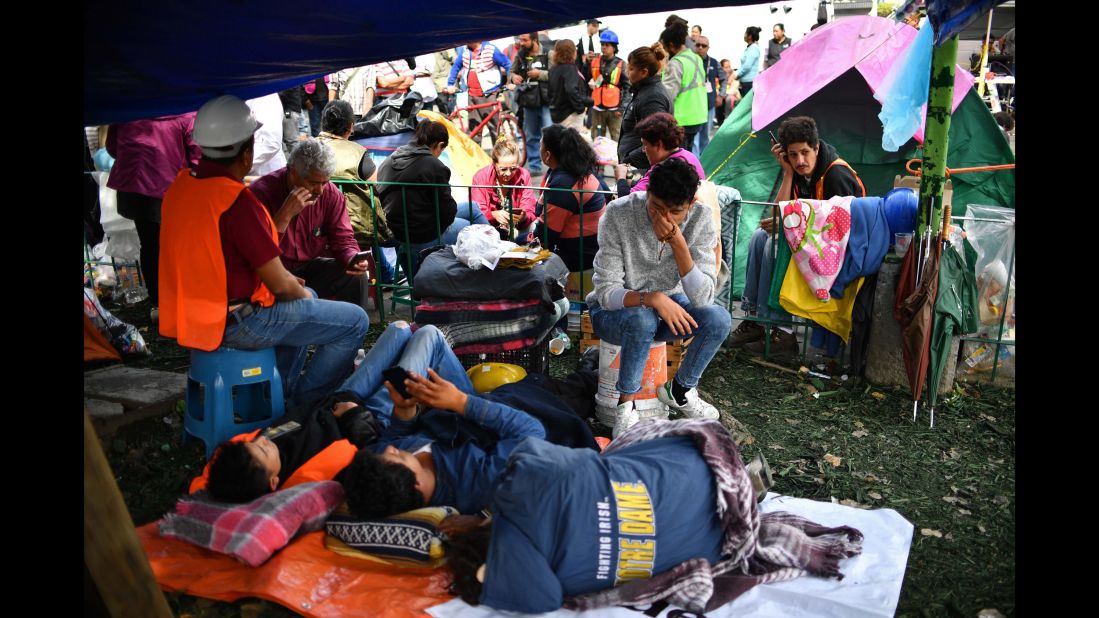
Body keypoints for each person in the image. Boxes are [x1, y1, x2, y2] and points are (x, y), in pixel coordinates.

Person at [159, 95, 370, 411]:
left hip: (192, 316)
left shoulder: (179, 188)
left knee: (306, 295)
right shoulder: (239, 201)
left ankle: (280, 393)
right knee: (355, 320)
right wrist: (298, 290)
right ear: (247, 153)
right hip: (236, 320)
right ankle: (304, 405)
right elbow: (281, 285)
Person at [339, 322, 598, 519]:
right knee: (569, 389)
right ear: (418, 483)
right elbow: (530, 430)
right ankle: (591, 375)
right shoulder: (476, 480)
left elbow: (394, 437)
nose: (392, 448)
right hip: (509, 410)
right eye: (399, 456)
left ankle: (587, 376)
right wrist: (461, 402)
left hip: (453, 409)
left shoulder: (382, 464)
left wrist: (404, 412)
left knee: (429, 333)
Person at [587, 157, 730, 436]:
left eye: (675, 212)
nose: (664, 219)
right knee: (642, 319)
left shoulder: (700, 219)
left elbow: (702, 299)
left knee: (719, 319)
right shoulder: (618, 214)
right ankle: (625, 407)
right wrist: (651, 298)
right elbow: (605, 293)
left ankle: (680, 390)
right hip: (612, 314)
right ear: (646, 194)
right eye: (656, 207)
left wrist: (678, 243)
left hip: (668, 308)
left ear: (690, 206)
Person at [729, 116, 866, 357]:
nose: (800, 161)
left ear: (816, 147)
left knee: (775, 243)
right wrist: (787, 173)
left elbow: (838, 233)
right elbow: (780, 211)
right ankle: (758, 320)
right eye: (792, 155)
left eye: (805, 152)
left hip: (842, 254)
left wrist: (787, 229)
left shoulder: (836, 176)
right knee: (759, 237)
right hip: (815, 245)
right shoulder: (798, 172)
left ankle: (783, 331)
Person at [248, 138, 368, 308]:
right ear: (293, 172)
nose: (319, 190)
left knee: (356, 275)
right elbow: (255, 252)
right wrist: (284, 216)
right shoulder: (260, 193)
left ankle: (352, 330)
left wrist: (352, 258)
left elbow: (343, 239)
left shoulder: (330, 194)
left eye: (324, 182)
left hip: (309, 268)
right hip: (272, 272)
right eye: (313, 183)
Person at [106, 113, 203, 321]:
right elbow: (197, 155)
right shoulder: (185, 111)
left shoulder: (129, 109)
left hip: (136, 187)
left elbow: (113, 149)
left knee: (150, 245)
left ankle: (159, 304)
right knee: (179, 246)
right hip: (171, 188)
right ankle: (182, 301)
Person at [376, 120, 488, 272]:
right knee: (472, 231)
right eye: (442, 149)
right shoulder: (434, 166)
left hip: (394, 229)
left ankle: (496, 254)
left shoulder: (389, 160)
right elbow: (447, 214)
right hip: (419, 233)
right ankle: (493, 261)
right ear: (439, 144)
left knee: (472, 208)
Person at [315, 99, 392, 249]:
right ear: (351, 126)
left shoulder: (308, 148)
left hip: (315, 226)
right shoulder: (357, 152)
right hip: (355, 229)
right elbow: (378, 186)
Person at [534, 125, 607, 276]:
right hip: (590, 249)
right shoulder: (578, 169)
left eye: (540, 146)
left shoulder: (564, 183)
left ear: (548, 155)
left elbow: (545, 236)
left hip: (578, 257)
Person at [613, 112, 705, 198]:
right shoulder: (688, 155)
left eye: (645, 144)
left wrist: (621, 177)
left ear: (658, 144)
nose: (644, 150)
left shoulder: (667, 169)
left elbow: (627, 200)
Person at [445, 40, 512, 143]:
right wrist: (450, 84)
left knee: (495, 127)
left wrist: (511, 81)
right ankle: (476, 157)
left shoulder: (490, 49)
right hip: (471, 95)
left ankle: (499, 155)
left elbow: (507, 64)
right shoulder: (465, 51)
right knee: (475, 130)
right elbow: (456, 67)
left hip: (488, 95)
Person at [617, 46, 672, 171]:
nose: (626, 71)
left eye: (630, 68)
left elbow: (656, 140)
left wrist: (629, 160)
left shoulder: (653, 98)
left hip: (641, 172)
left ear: (644, 72)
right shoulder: (643, 91)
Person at [471, 137, 537, 240]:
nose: (508, 173)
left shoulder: (524, 175)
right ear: (494, 163)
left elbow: (529, 209)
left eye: (513, 168)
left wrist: (523, 217)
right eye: (503, 169)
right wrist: (493, 215)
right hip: (488, 230)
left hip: (517, 228)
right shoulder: (481, 177)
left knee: (535, 226)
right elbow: (476, 211)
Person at [659, 21, 708, 157]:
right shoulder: (696, 58)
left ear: (671, 45)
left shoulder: (676, 63)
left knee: (678, 158)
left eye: (665, 46)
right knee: (687, 156)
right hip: (697, 116)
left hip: (681, 119)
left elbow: (668, 94)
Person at [509, 32, 552, 174]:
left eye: (525, 40)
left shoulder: (548, 53)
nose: (521, 43)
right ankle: (534, 167)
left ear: (534, 40)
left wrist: (539, 74)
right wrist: (514, 77)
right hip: (528, 102)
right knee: (531, 135)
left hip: (546, 102)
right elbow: (511, 72)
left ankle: (556, 164)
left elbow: (555, 73)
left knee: (550, 135)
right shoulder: (520, 55)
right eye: (520, 39)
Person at [586, 29, 630, 143]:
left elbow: (628, 88)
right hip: (597, 108)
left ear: (614, 47)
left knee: (617, 139)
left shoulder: (621, 64)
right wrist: (586, 62)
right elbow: (585, 78)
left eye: (607, 45)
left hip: (615, 110)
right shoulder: (594, 61)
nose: (603, 47)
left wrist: (622, 107)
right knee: (597, 139)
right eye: (602, 44)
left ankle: (617, 160)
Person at [548, 39, 593, 135]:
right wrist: (580, 108)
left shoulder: (553, 69)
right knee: (572, 145)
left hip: (557, 114)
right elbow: (571, 90)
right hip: (570, 114)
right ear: (572, 52)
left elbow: (550, 92)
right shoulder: (569, 68)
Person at [692, 35, 722, 155]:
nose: (700, 48)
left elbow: (723, 78)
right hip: (693, 106)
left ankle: (703, 162)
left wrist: (721, 94)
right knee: (694, 138)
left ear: (708, 48)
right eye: (698, 45)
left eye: (703, 46)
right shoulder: (691, 62)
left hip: (709, 104)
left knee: (705, 136)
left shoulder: (714, 62)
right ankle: (694, 163)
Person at [245, 93, 288, 177]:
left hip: (264, 174)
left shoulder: (265, 97)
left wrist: (239, 168)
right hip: (252, 172)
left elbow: (270, 143)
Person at [735, 27, 762, 96]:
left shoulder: (753, 49)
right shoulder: (750, 48)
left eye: (745, 33)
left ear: (749, 36)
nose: (744, 35)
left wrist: (736, 74)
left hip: (749, 83)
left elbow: (747, 66)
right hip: (746, 82)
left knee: (748, 105)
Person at [431, 48, 458, 116]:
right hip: (439, 79)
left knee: (445, 108)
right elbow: (454, 58)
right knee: (444, 108)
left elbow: (453, 58)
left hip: (442, 79)